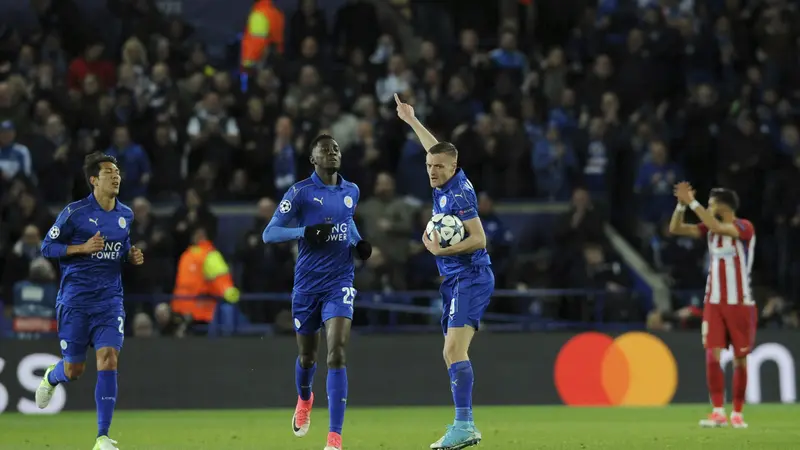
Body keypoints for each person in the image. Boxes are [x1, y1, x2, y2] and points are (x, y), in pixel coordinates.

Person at [395, 93, 493, 450]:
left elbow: (480, 239)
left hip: (471, 275)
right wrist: (411, 119)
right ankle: (463, 423)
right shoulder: (446, 174)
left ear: (454, 168)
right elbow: (434, 147)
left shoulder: (460, 196)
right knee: (450, 352)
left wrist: (441, 248)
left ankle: (464, 425)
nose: (432, 171)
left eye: (439, 167)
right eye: (429, 166)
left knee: (454, 350)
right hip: (455, 277)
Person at [262, 134, 372, 450]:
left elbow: (347, 222)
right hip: (308, 286)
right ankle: (305, 398)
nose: (332, 152)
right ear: (313, 159)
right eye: (324, 150)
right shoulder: (300, 193)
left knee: (336, 352)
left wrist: (358, 241)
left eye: (335, 148)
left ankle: (334, 439)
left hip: (339, 283)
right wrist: (304, 232)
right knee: (308, 356)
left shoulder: (352, 190)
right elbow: (269, 233)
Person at [35, 152, 145, 450]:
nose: (116, 176)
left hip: (109, 301)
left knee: (108, 358)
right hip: (75, 301)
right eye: (109, 172)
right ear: (94, 180)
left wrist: (129, 255)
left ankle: (102, 437)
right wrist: (81, 247)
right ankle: (52, 376)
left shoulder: (126, 214)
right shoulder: (74, 212)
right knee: (75, 370)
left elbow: (119, 247)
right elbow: (47, 247)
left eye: (117, 171)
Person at [669, 182, 755, 429]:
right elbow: (675, 228)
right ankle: (718, 411)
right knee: (712, 354)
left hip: (739, 302)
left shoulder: (744, 227)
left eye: (710, 203)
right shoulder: (709, 230)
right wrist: (681, 205)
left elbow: (718, 225)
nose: (707, 207)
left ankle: (737, 413)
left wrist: (693, 203)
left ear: (723, 206)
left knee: (740, 358)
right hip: (713, 302)